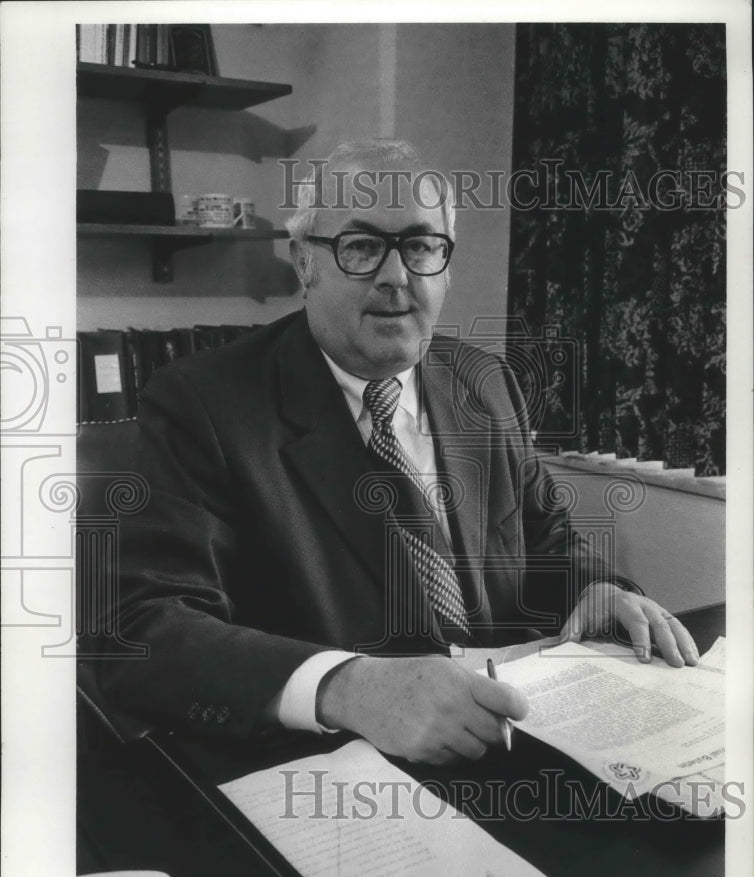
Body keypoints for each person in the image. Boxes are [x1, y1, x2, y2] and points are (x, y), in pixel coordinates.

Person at [102, 139, 699, 765]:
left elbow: (545, 538)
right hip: (338, 774)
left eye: (420, 246)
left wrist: (594, 589)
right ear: (305, 263)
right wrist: (343, 686)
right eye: (360, 247)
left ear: (444, 265)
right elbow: (142, 631)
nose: (395, 277)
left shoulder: (485, 382)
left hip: (515, 737)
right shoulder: (203, 405)